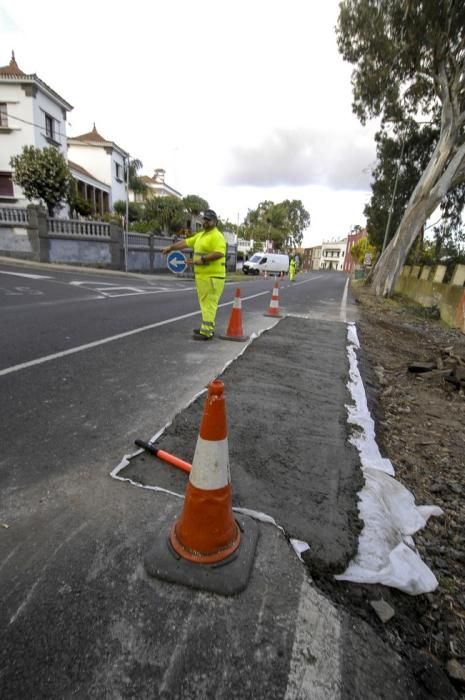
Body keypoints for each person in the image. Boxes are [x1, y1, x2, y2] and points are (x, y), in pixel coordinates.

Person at [162, 209, 226, 340]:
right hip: (204, 277)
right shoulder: (201, 235)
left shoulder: (217, 236)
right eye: (205, 219)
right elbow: (186, 242)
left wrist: (201, 260)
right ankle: (206, 328)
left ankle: (207, 332)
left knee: (209, 304)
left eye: (209, 220)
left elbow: (219, 253)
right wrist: (171, 248)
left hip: (212, 277)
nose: (206, 222)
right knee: (205, 304)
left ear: (215, 222)